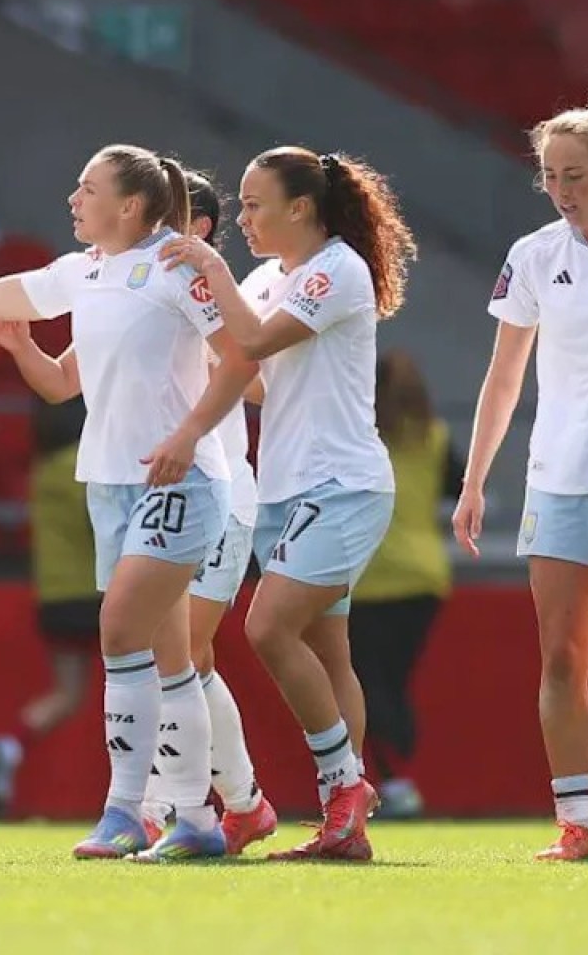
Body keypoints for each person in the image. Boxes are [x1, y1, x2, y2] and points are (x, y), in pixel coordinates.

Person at [0, 144, 259, 861]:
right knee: (169, 656)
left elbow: (242, 360)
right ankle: (197, 820)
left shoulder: (176, 267)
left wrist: (187, 435)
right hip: (111, 482)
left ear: (129, 205)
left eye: (86, 188)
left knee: (119, 630)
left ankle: (124, 810)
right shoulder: (82, 272)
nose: (72, 199)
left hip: (179, 478)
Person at [0, 170, 276, 855]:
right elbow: (61, 381)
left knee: (171, 649)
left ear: (193, 231)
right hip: (138, 484)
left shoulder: (193, 288)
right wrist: (26, 346)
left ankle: (164, 807)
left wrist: (208, 315)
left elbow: (251, 375)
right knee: (177, 655)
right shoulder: (126, 287)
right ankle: (221, 807)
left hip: (216, 491)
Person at [160, 145, 416, 861]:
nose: (240, 217)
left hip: (342, 485)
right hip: (286, 485)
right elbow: (256, 375)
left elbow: (255, 337)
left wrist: (209, 272)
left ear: (300, 207)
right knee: (330, 652)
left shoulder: (336, 269)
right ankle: (348, 824)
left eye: (252, 203)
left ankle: (344, 787)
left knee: (268, 626)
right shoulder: (273, 275)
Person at [453, 95, 588, 862]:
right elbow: (504, 376)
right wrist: (475, 480)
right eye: (550, 176)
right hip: (561, 477)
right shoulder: (537, 254)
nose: (562, 190)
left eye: (576, 174)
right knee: (564, 658)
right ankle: (579, 823)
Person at [349, 349, 464, 819]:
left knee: (363, 684)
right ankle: (396, 772)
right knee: (390, 682)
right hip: (425, 577)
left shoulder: (358, 436)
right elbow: (458, 491)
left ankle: (393, 778)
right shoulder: (434, 436)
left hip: (368, 576)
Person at [0, 390, 101, 819]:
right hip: (97, 594)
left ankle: (11, 743)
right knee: (148, 683)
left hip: (54, 596)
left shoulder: (43, 469)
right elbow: (102, 522)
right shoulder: (83, 466)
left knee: (68, 694)